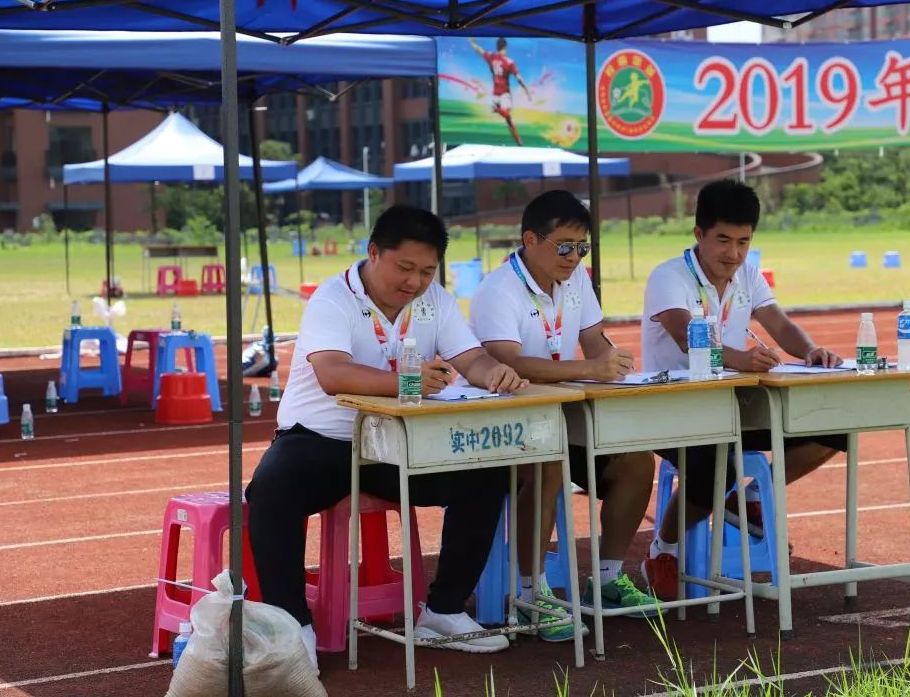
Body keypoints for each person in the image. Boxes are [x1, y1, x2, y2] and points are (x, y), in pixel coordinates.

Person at [246, 205, 528, 668]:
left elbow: (470, 357)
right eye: (405, 268)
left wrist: (493, 372)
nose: (415, 282)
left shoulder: (434, 299)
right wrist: (410, 381)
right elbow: (333, 373)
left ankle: (443, 611)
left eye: (427, 271)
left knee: (488, 469)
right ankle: (292, 629)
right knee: (273, 485)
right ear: (374, 252)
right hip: (324, 441)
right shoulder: (333, 298)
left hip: (401, 444)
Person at [470, 190, 663, 641]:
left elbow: (595, 341)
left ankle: (608, 578)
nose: (574, 257)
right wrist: (589, 368)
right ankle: (530, 593)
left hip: (565, 417)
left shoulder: (577, 280)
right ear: (530, 239)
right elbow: (508, 361)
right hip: (508, 428)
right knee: (548, 463)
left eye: (582, 248)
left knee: (637, 461)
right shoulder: (497, 291)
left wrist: (615, 364)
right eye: (564, 247)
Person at [639, 179, 846, 600]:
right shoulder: (668, 276)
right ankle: (663, 548)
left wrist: (811, 350)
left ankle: (743, 497)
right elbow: (685, 336)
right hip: (673, 411)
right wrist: (741, 358)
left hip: (735, 407)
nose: (732, 253)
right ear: (698, 235)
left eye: (743, 242)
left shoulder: (747, 275)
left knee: (833, 428)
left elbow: (779, 323)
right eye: (722, 240)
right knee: (712, 463)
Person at [468, 37, 532, 146]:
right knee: (507, 116)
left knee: (507, 117)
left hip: (495, 95)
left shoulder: (492, 57)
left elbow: (480, 51)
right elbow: (519, 78)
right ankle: (517, 139)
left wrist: (472, 42)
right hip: (504, 94)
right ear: (505, 47)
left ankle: (518, 140)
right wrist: (526, 90)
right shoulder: (509, 62)